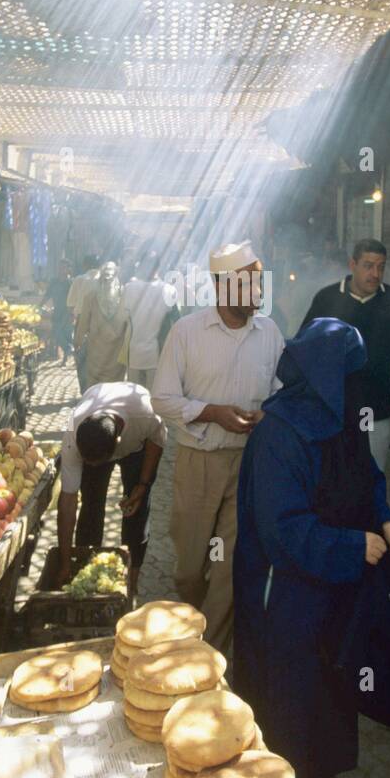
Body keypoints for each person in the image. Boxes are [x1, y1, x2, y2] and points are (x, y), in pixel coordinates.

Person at [234, 318, 390, 778]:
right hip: (286, 591)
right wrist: (352, 546)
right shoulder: (279, 434)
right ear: (327, 373)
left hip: (338, 581)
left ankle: (320, 764)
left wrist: (388, 522)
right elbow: (281, 529)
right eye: (352, 371)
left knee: (334, 675)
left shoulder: (345, 416)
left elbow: (367, 477)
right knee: (288, 682)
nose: (360, 382)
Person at [152, 240, 284, 652]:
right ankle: (191, 617)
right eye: (249, 284)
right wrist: (212, 412)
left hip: (247, 465)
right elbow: (162, 399)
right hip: (199, 464)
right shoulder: (187, 332)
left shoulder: (270, 332)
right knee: (191, 567)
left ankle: (207, 658)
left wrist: (270, 414)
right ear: (223, 286)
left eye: (260, 282)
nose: (259, 292)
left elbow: (282, 390)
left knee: (227, 569)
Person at [298, 238, 390, 469]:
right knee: (333, 474)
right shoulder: (327, 298)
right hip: (333, 407)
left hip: (374, 407)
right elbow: (308, 347)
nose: (375, 273)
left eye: (381, 267)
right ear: (352, 265)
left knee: (370, 473)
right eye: (368, 265)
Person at [56, 381, 167, 592]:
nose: (88, 467)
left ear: (117, 443)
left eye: (93, 463)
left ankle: (132, 579)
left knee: (136, 510)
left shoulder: (145, 413)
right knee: (91, 506)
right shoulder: (73, 430)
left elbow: (157, 441)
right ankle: (85, 568)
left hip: (137, 447)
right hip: (99, 433)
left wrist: (142, 485)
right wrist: (64, 563)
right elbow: (67, 502)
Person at [124, 252, 178, 391]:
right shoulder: (168, 290)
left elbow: (122, 319)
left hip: (134, 352)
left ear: (140, 266)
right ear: (159, 267)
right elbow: (176, 321)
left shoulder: (129, 288)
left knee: (133, 396)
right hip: (158, 353)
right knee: (155, 397)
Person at [75, 261, 129, 389]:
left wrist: (77, 341)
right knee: (114, 384)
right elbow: (129, 322)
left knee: (96, 383)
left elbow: (83, 324)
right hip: (116, 349)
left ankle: (96, 404)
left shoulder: (90, 297)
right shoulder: (125, 295)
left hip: (96, 350)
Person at [67, 253, 100, 386]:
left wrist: (75, 319)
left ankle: (84, 390)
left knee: (81, 357)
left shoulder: (80, 279)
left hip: (82, 322)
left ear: (85, 265)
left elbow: (70, 305)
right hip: (102, 324)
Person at [43, 258, 73, 365]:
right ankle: (68, 349)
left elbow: (73, 298)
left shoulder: (70, 283)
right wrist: (40, 305)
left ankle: (66, 356)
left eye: (64, 267)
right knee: (56, 333)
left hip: (67, 312)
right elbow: (48, 294)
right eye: (60, 267)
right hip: (57, 312)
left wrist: (72, 314)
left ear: (68, 269)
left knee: (66, 334)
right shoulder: (54, 281)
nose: (61, 269)